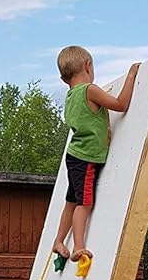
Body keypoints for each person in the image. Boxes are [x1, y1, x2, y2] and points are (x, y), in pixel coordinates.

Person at [53, 46, 140, 261]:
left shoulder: (70, 97)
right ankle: (78, 246)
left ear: (64, 79)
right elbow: (120, 105)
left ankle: (59, 241)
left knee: (71, 201)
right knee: (84, 203)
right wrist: (131, 76)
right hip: (86, 159)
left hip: (74, 156)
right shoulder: (89, 90)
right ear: (88, 66)